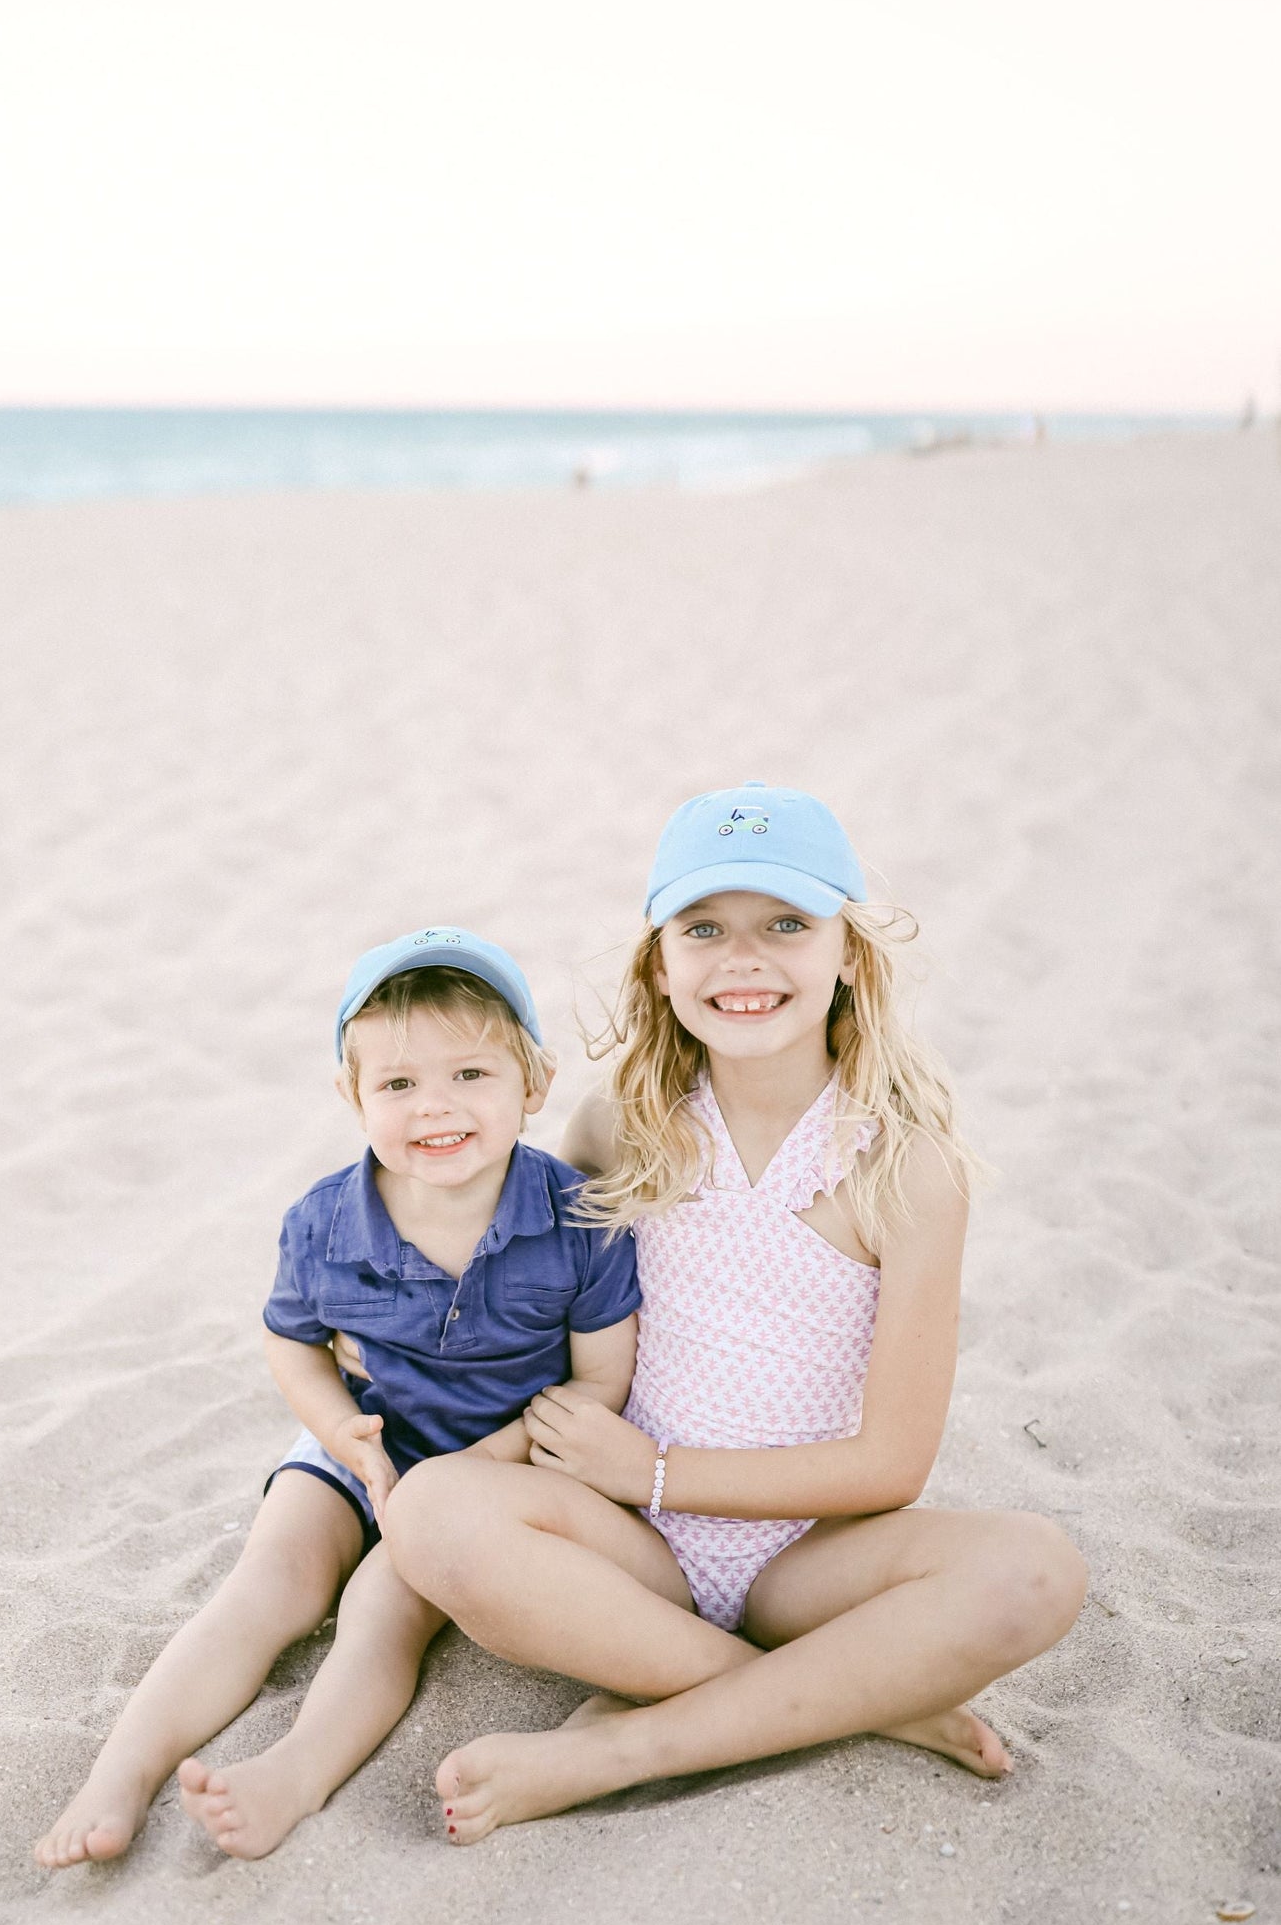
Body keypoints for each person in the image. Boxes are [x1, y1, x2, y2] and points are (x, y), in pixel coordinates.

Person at [379, 786, 1089, 1843]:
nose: (742, 959)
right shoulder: (618, 1123)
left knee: (1035, 1570)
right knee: (434, 1511)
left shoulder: (906, 1171)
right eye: (703, 928)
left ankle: (621, 1747)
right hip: (630, 1551)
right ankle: (853, 1699)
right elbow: (519, 1283)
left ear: (848, 951)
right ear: (658, 963)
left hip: (811, 1559)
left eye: (786, 926)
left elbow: (892, 1463)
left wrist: (651, 1471)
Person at [34, 929, 639, 1867]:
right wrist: (337, 1432)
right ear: (351, 1096)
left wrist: (493, 1461)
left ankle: (294, 1771)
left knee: (380, 1612)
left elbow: (602, 1380)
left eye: (470, 1074)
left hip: (493, 1476)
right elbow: (292, 1340)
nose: (433, 1107)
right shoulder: (323, 1221)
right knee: (265, 1588)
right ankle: (121, 1770)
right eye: (397, 1085)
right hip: (362, 1443)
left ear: (534, 1082)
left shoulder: (574, 1221)